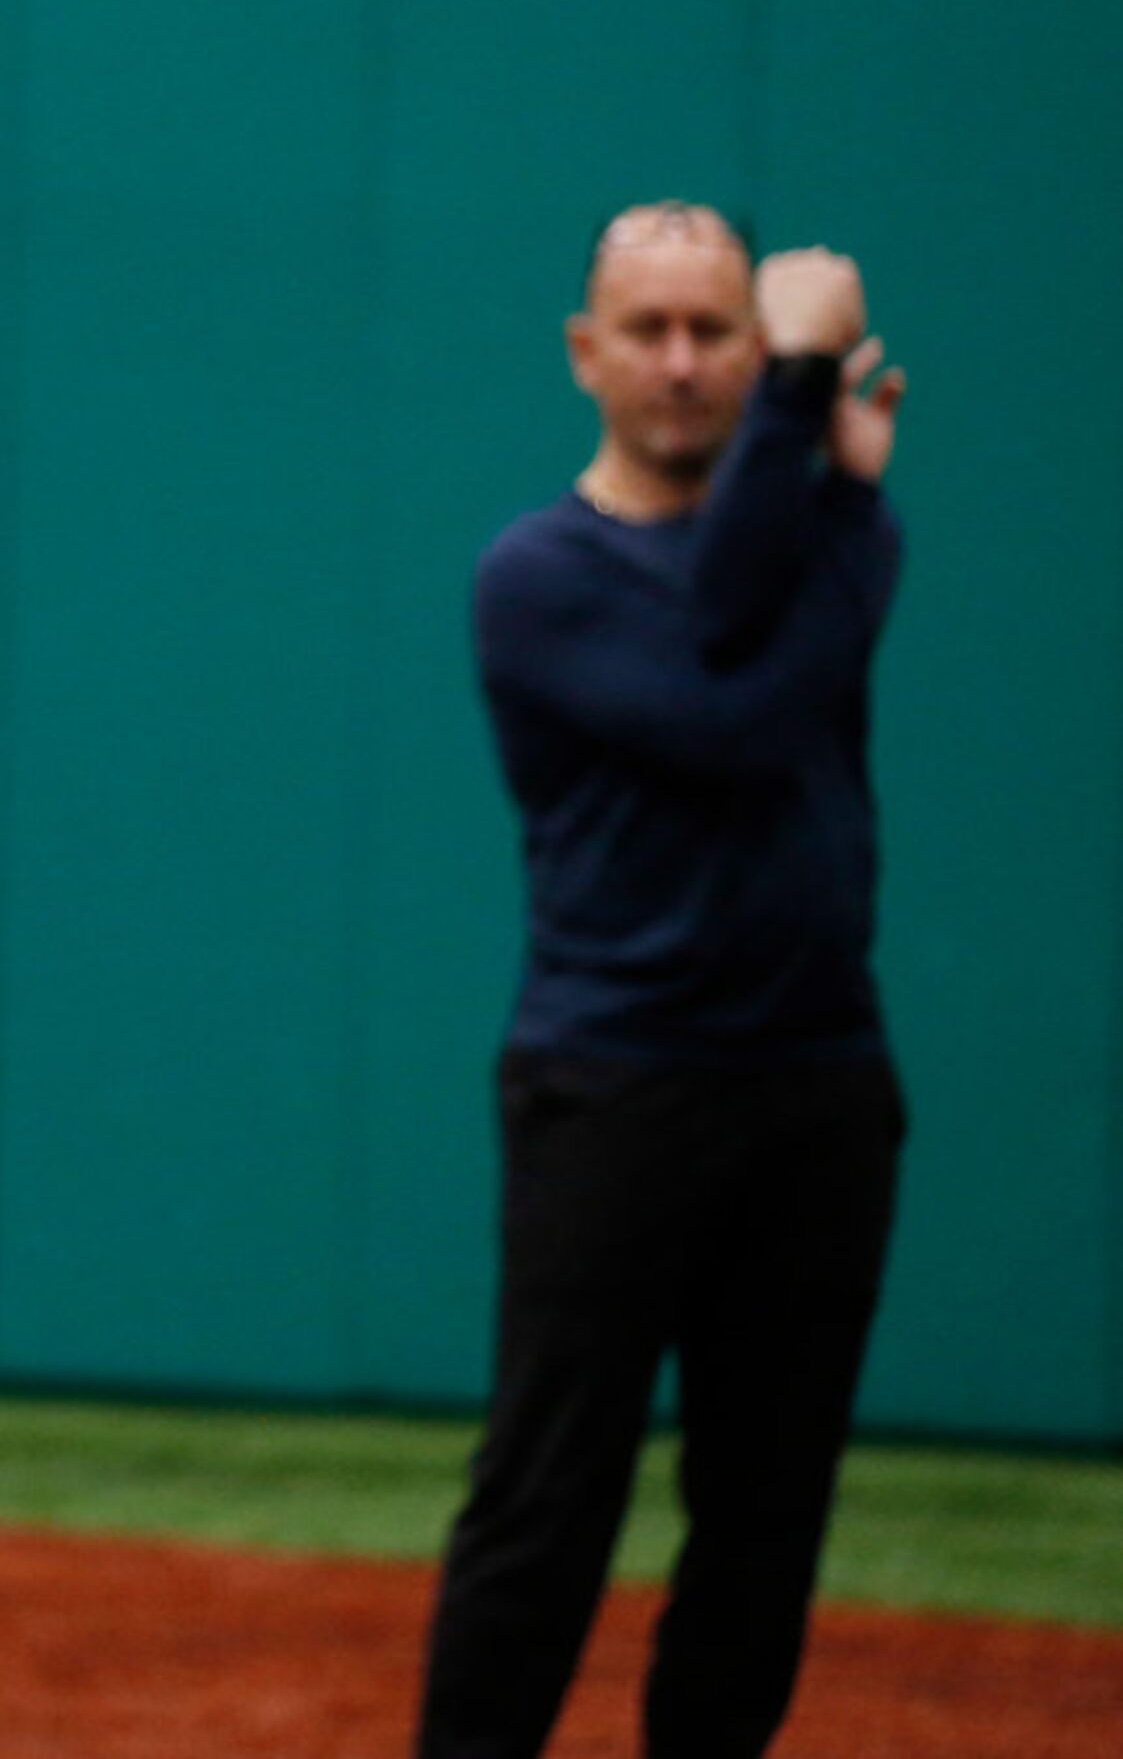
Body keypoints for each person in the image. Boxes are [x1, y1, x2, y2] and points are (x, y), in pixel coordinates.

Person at [415, 201, 908, 1758]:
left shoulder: (825, 532)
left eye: (723, 333)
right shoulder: (537, 572)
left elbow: (737, 628)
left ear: (754, 357)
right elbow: (730, 711)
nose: (685, 363)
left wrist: (826, 486)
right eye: (650, 329)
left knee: (767, 1519)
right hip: (613, 1087)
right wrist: (823, 444)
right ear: (586, 353)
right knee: (546, 1502)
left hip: (822, 1088)